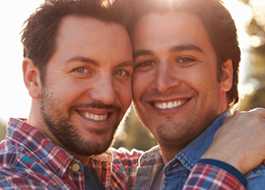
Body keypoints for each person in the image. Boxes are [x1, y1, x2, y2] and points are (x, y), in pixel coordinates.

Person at [0, 0, 264, 189]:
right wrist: (221, 163)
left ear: (226, 74)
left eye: (122, 72)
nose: (106, 95)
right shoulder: (11, 179)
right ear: (33, 78)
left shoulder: (123, 173)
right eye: (81, 69)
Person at [129, 0, 265, 189]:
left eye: (184, 59)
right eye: (144, 63)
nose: (162, 84)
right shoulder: (141, 175)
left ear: (225, 74)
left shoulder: (258, 180)